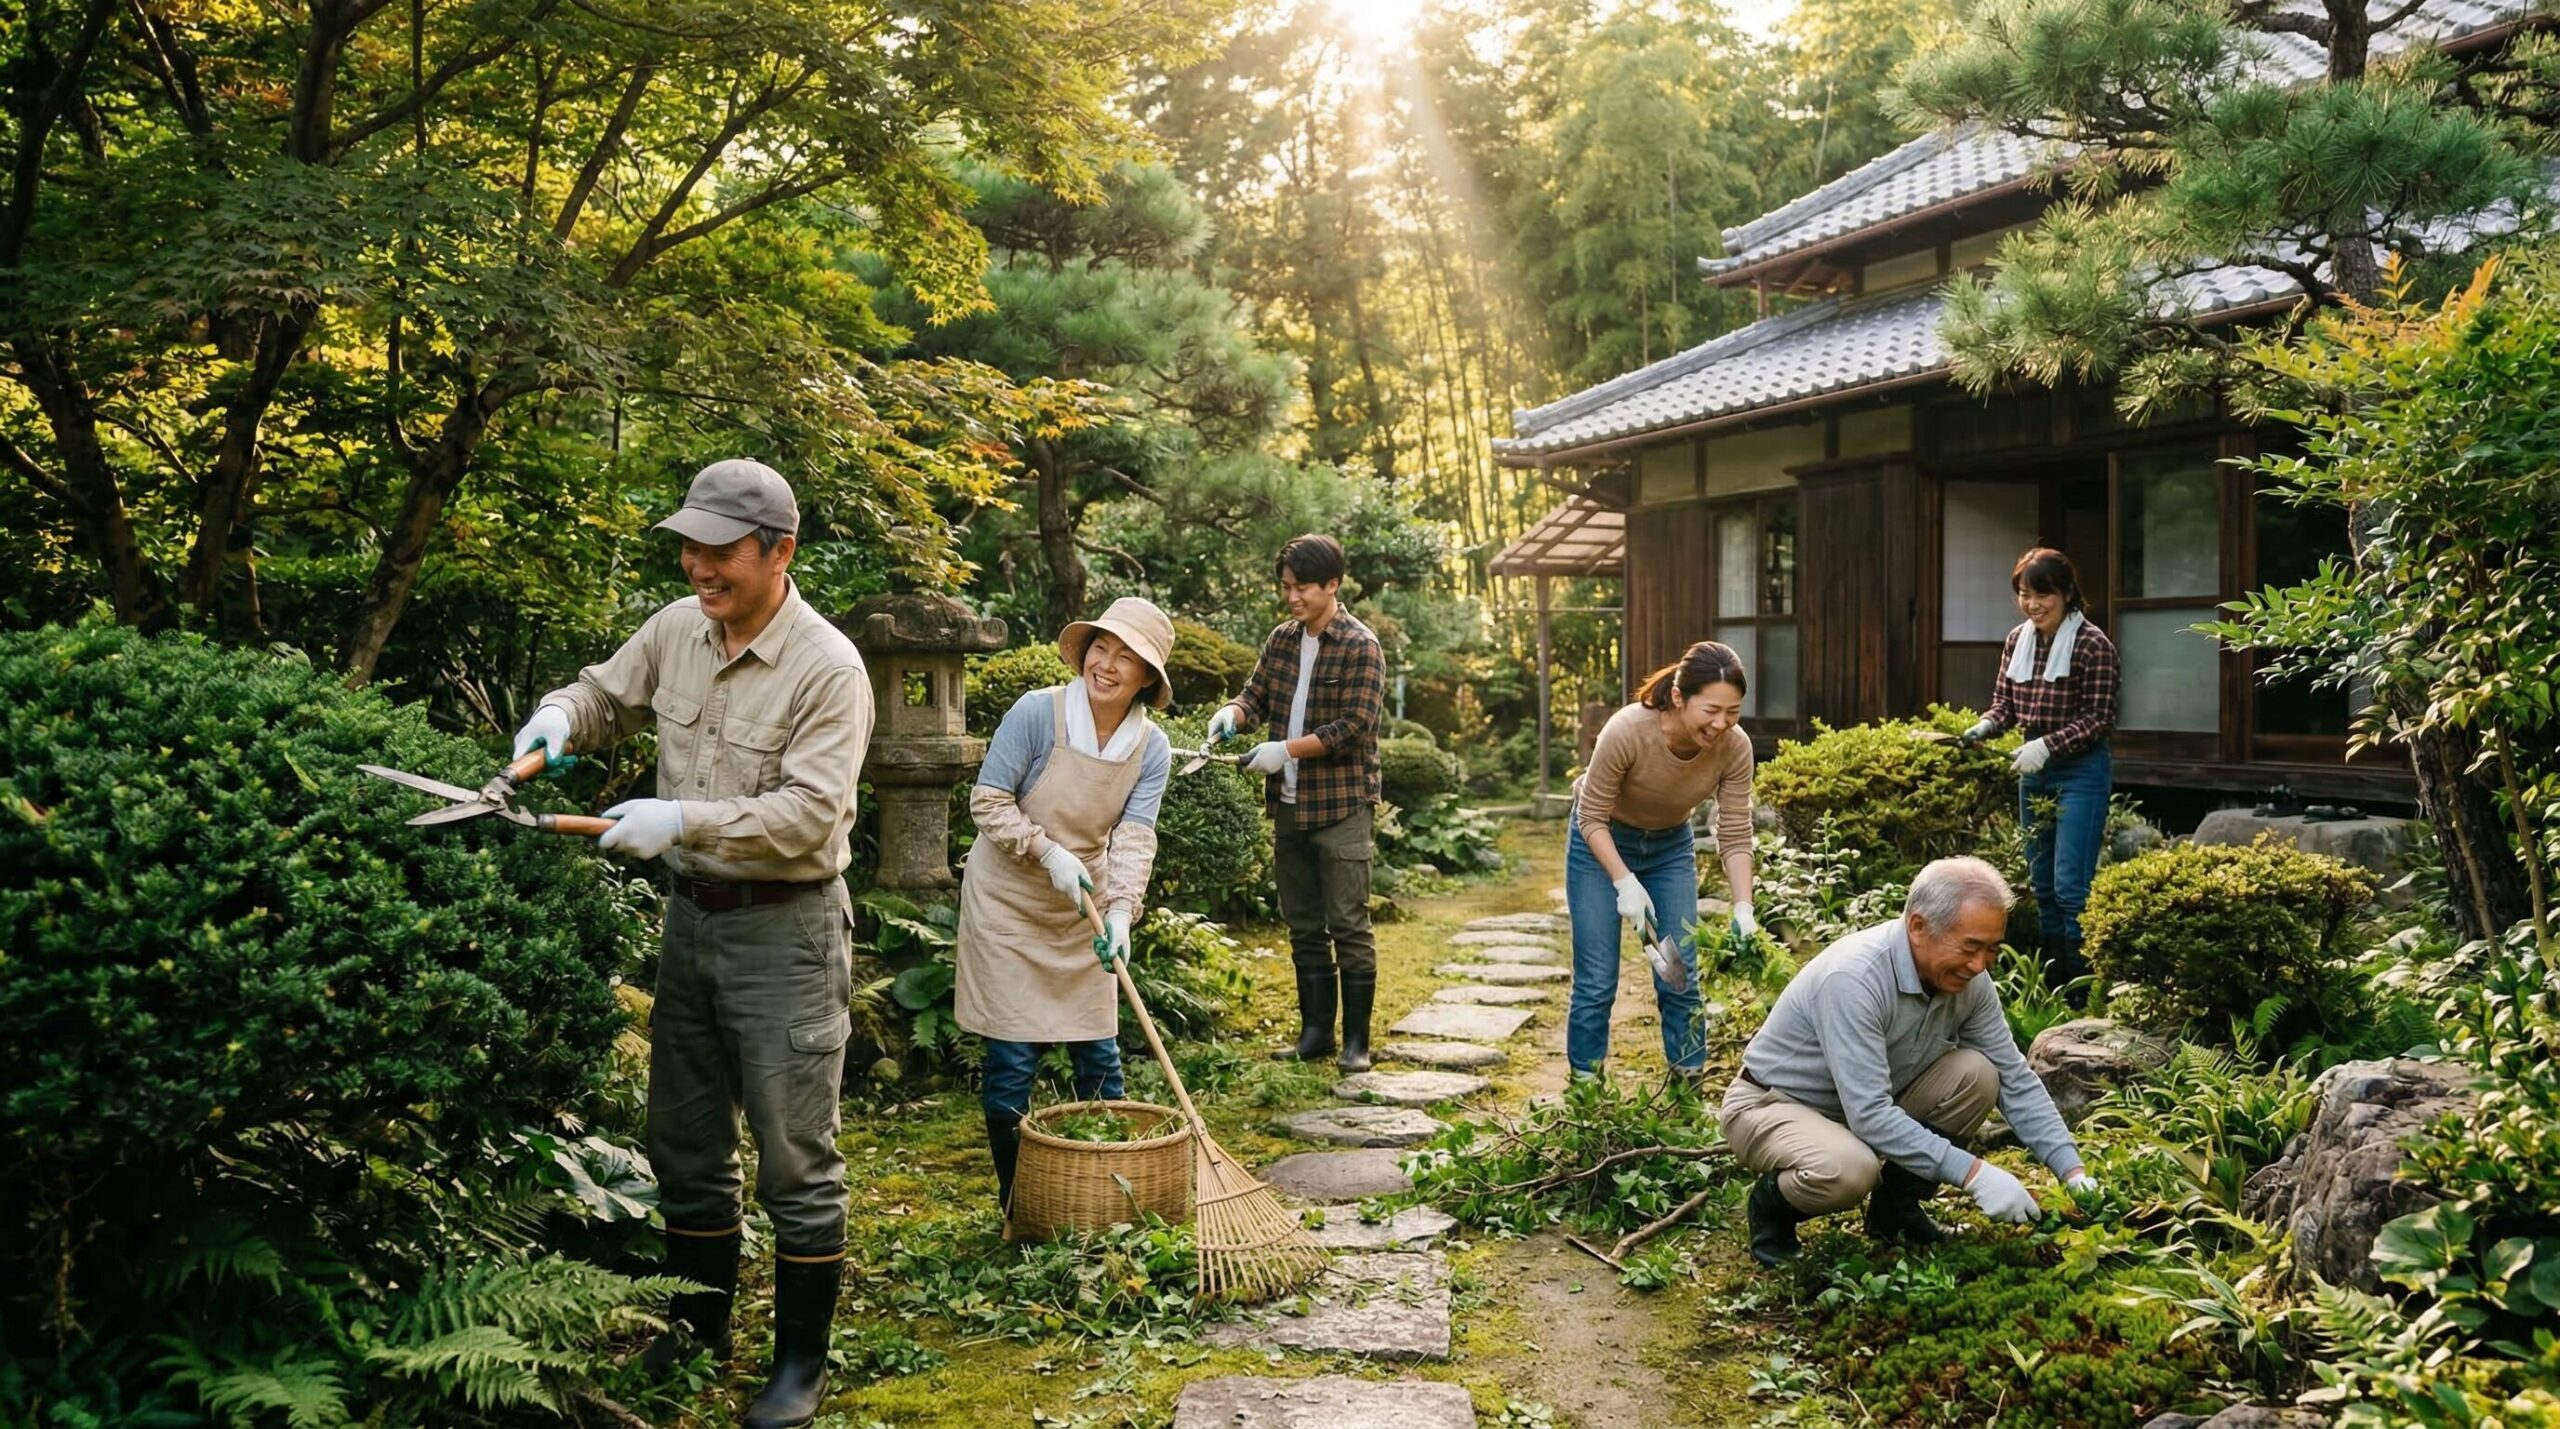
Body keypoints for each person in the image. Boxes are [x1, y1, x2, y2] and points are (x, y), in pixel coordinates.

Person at [514, 459, 872, 1429]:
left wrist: (683, 817)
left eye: (719, 550)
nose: (698, 565)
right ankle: (696, 1329)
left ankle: (798, 1364)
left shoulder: (827, 667)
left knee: (795, 1152)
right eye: (690, 545)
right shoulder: (678, 629)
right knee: (682, 1137)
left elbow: (808, 817)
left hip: (788, 927)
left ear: (778, 552)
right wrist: (557, 720)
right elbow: (604, 694)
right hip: (692, 922)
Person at [1721, 857, 2098, 1267]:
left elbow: (2013, 1076)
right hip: (1774, 1105)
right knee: (1850, 1169)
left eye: (1992, 949)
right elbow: (1870, 1115)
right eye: (1970, 946)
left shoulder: (1969, 982)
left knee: (1979, 1075)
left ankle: (1894, 1213)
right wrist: (1974, 1174)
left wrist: (2072, 1170)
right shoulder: (1854, 979)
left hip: (1859, 1108)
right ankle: (1771, 1210)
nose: (1980, 964)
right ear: (1918, 927)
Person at [955, 598, 1176, 1224]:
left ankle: (1100, 1203)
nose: (1107, 664)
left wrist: (1122, 913)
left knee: (1101, 1062)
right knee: (1010, 1068)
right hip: (1009, 899)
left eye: (1126, 657)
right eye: (1101, 647)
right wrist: (1046, 851)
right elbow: (989, 801)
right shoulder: (1037, 714)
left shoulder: (1149, 748)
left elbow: (1135, 835)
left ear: (1146, 679)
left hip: (1085, 907)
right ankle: (1019, 1208)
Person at [1206, 534, 1386, 1072]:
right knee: (1303, 923)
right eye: (1285, 587)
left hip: (1341, 805)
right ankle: (1315, 1035)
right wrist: (1233, 715)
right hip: (1288, 806)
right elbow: (1255, 695)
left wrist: (1284, 749)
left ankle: (1356, 1043)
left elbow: (1352, 726)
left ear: (1333, 585)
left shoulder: (1361, 645)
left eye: (1302, 587)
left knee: (1348, 923)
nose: (1292, 598)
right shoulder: (1282, 640)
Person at [1564, 640, 1759, 1082]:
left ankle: (1686, 1091)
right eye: (1711, 710)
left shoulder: (1734, 747)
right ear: (1678, 697)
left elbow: (1734, 831)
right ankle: (1585, 1090)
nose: (1722, 723)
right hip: (1601, 847)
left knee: (1675, 972)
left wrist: (1743, 907)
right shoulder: (1629, 731)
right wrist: (1623, 883)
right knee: (1597, 978)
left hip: (1668, 850)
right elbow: (1591, 815)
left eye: (1733, 712)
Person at [1958, 548, 2120, 993]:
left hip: (2080, 770)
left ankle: (2085, 991)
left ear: (2067, 593)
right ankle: (2052, 989)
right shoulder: (2017, 640)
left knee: (2071, 888)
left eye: (2042, 594)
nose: (2033, 604)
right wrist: (1988, 724)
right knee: (2042, 885)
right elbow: (2006, 703)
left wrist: (2048, 745)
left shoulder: (2092, 644)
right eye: (2024, 595)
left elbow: (2098, 717)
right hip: (2036, 769)